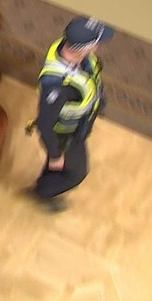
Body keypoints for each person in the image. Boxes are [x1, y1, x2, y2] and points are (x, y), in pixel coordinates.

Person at [28, 16, 113, 212]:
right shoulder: (56, 86)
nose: (99, 46)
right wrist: (56, 154)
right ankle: (42, 192)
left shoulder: (74, 55)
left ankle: (46, 179)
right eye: (96, 42)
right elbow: (45, 123)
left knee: (57, 166)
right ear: (82, 48)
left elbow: (89, 81)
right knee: (76, 173)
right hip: (65, 135)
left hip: (76, 127)